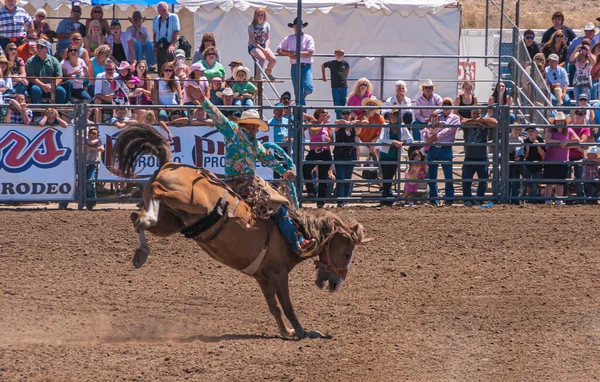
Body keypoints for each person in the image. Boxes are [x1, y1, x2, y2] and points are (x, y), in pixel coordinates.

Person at [196, 89, 316, 254]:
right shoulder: (234, 132)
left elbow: (266, 157)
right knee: (279, 207)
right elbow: (219, 118)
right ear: (250, 124)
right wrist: (203, 99)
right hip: (244, 184)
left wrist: (283, 171)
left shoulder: (252, 141)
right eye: (256, 126)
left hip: (245, 181)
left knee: (277, 204)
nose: (257, 129)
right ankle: (297, 242)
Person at [422, 103, 459, 206]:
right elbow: (428, 128)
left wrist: (433, 138)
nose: (446, 105)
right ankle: (434, 199)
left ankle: (448, 199)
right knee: (432, 175)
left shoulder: (455, 118)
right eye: (445, 103)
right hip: (434, 148)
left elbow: (449, 130)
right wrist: (428, 138)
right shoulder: (437, 115)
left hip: (444, 147)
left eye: (448, 104)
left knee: (448, 175)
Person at [543, 112, 580, 204]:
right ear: (555, 121)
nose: (559, 122)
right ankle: (548, 199)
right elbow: (547, 140)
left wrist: (566, 142)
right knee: (549, 182)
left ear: (564, 121)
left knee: (560, 182)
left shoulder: (568, 130)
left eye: (561, 120)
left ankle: (559, 199)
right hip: (550, 159)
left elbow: (577, 140)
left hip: (562, 159)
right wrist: (562, 142)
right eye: (558, 120)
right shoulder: (550, 130)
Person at [277, 17, 315, 105]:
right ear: (293, 27)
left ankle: (303, 98)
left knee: (309, 88)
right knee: (298, 92)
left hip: (306, 66)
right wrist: (289, 53)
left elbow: (310, 52)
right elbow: (279, 49)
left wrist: (295, 54)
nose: (297, 28)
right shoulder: (289, 38)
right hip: (295, 66)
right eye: (295, 26)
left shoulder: (308, 38)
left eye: (299, 26)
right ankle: (302, 113)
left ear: (302, 27)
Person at [462, 109, 496, 206]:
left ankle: (479, 198)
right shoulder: (468, 124)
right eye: (474, 113)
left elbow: (495, 123)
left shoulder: (485, 123)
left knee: (483, 179)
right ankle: (467, 199)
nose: (476, 115)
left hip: (482, 156)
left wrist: (481, 120)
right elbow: (462, 121)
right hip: (469, 155)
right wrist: (476, 121)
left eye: (478, 113)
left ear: (481, 114)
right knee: (467, 179)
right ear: (471, 114)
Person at [379, 109, 413, 206]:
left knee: (390, 177)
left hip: (395, 155)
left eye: (395, 117)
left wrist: (403, 142)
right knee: (386, 177)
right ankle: (389, 198)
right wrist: (394, 142)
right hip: (385, 155)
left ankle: (385, 198)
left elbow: (411, 139)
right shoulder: (386, 126)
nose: (393, 119)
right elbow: (382, 139)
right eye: (392, 117)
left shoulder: (402, 127)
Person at [303, 109, 333, 208]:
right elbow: (313, 131)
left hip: (324, 151)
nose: (325, 114)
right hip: (314, 151)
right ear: (318, 114)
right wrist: (323, 123)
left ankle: (321, 201)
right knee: (305, 168)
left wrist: (329, 140)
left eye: (326, 112)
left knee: (323, 177)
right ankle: (311, 191)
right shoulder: (313, 122)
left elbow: (330, 139)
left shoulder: (328, 126)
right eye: (323, 112)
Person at [26, 39, 69, 105]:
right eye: (37, 47)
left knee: (61, 91)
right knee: (35, 90)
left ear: (46, 49)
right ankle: (36, 114)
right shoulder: (30, 61)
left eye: (41, 47)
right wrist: (43, 86)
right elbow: (32, 77)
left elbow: (59, 76)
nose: (38, 49)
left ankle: (58, 113)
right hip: (38, 85)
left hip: (52, 85)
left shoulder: (54, 60)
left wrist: (53, 85)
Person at [333, 110, 360, 206]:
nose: (345, 115)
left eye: (347, 114)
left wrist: (354, 122)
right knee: (340, 177)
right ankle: (341, 200)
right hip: (340, 154)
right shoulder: (338, 126)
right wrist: (350, 122)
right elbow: (338, 122)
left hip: (350, 154)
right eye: (343, 114)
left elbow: (364, 123)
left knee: (348, 177)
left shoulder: (353, 128)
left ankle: (345, 200)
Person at [247, 7, 277, 81]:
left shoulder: (266, 25)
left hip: (264, 45)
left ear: (264, 16)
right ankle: (258, 76)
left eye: (262, 15)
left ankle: (267, 72)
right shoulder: (251, 25)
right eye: (258, 14)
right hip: (253, 46)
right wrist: (261, 49)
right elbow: (252, 40)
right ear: (255, 16)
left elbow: (267, 39)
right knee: (262, 58)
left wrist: (266, 48)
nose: (260, 16)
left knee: (273, 60)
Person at [567, 109, 591, 200]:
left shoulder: (585, 128)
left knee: (579, 179)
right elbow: (579, 143)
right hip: (569, 155)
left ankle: (580, 198)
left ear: (584, 117)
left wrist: (569, 145)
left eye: (580, 115)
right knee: (566, 177)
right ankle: (566, 197)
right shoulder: (569, 127)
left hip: (578, 155)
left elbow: (582, 141)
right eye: (576, 114)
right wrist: (576, 146)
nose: (577, 116)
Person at [322, 48, 350, 119]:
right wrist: (324, 76)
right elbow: (323, 65)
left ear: (343, 55)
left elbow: (348, 68)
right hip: (335, 86)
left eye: (341, 54)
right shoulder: (331, 63)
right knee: (337, 103)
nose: (339, 56)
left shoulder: (345, 63)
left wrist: (345, 77)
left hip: (344, 86)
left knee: (343, 103)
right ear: (334, 55)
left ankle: (344, 118)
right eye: (337, 54)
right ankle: (338, 118)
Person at [153, 1, 180, 73]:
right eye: (160, 10)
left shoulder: (173, 17)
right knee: (160, 62)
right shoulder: (155, 19)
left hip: (171, 42)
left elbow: (176, 32)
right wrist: (155, 47)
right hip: (160, 43)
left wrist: (172, 45)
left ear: (168, 9)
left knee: (170, 53)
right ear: (158, 11)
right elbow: (155, 34)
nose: (162, 12)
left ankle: (174, 74)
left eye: (164, 10)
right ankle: (161, 78)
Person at [356, 95, 384, 161]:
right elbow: (356, 133)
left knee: (380, 142)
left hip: (373, 144)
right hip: (361, 144)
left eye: (373, 105)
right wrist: (361, 123)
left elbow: (382, 133)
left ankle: (380, 163)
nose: (371, 106)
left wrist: (374, 140)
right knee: (355, 138)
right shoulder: (359, 117)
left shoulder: (380, 118)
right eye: (369, 104)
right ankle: (357, 161)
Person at [522, 126, 545, 203]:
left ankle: (532, 200)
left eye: (532, 131)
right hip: (528, 164)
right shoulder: (525, 141)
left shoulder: (540, 140)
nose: (530, 133)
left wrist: (538, 145)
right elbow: (524, 156)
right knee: (525, 183)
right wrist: (527, 149)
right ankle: (522, 199)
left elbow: (542, 154)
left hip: (538, 165)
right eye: (529, 131)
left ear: (536, 132)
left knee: (535, 184)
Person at [84, 127, 105, 210]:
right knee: (83, 183)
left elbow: (102, 149)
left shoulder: (98, 141)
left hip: (92, 164)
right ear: (88, 134)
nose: (93, 135)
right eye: (91, 133)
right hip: (83, 164)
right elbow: (90, 142)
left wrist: (92, 148)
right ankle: (86, 200)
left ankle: (92, 200)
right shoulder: (86, 140)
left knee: (90, 181)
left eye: (95, 133)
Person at [508, 125, 524, 204]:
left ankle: (514, 199)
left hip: (515, 162)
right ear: (512, 128)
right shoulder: (506, 138)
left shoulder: (520, 140)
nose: (517, 131)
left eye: (519, 129)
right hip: (507, 159)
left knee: (515, 181)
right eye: (515, 129)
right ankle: (506, 198)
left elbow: (522, 152)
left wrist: (520, 158)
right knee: (506, 180)